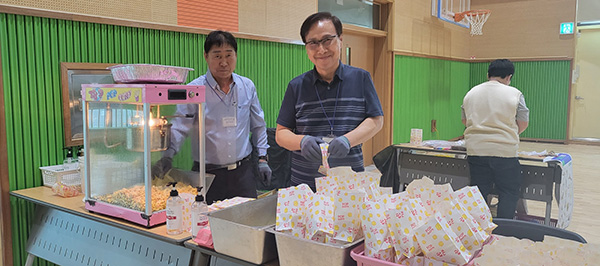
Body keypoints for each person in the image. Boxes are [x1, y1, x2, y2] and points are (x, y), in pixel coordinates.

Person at [153, 30, 272, 204]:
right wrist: (167, 155)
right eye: (217, 56)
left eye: (228, 55)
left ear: (236, 56)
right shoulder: (194, 90)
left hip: (243, 173)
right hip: (207, 176)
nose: (224, 62)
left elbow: (258, 126)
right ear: (206, 56)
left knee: (247, 223)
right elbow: (180, 126)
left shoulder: (247, 86)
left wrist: (262, 158)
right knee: (206, 226)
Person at [275, 12, 384, 190]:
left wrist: (347, 140)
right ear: (306, 47)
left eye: (327, 40)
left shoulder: (361, 78)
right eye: (313, 43)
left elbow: (376, 120)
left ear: (340, 39)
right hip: (305, 187)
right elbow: (281, 133)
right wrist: (301, 141)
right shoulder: (296, 86)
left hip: (350, 185)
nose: (321, 50)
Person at [461, 59, 529, 219]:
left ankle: (479, 228)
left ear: (488, 75)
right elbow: (523, 122)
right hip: (505, 153)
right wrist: (510, 133)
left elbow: (465, 121)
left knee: (478, 192)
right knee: (508, 192)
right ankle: (503, 231)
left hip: (476, 151)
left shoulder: (471, 93)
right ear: (509, 77)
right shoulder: (515, 94)